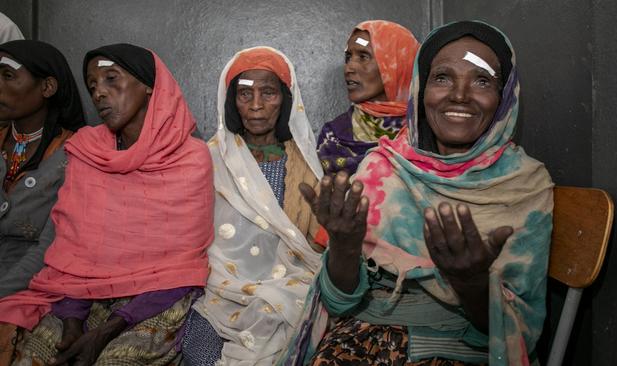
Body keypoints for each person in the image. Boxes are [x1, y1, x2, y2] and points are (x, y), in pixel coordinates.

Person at [286, 21, 554, 366]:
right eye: (442, 77)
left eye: (482, 80)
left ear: (504, 97)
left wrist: (470, 283)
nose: (459, 94)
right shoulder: (382, 168)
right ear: (419, 89)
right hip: (359, 339)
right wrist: (344, 244)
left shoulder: (525, 185)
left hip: (457, 349)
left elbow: (521, 331)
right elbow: (339, 302)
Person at [0, 43, 214, 366]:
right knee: (36, 357)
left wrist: (104, 332)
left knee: (117, 361)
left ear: (148, 86)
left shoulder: (190, 158)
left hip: (156, 299)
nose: (99, 92)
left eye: (112, 79)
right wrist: (72, 322)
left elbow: (181, 269)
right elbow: (73, 252)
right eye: (93, 85)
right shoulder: (86, 150)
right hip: (81, 296)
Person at [184, 46, 324, 365]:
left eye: (268, 93)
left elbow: (315, 246)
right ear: (231, 100)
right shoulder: (212, 159)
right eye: (245, 94)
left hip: (290, 288)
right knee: (197, 353)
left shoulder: (305, 164)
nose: (257, 105)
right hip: (219, 289)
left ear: (285, 99)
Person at [0, 40, 85, 297]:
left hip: (30, 284)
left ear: (47, 87)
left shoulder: (76, 153)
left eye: (7, 75)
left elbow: (49, 248)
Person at [316, 20, 419, 175]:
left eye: (363, 57)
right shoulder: (334, 135)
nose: (349, 68)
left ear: (397, 64)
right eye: (348, 57)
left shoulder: (426, 131)